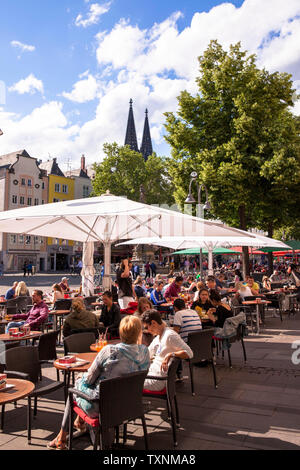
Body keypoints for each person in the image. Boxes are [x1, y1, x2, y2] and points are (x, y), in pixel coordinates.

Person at [48, 315, 150, 450]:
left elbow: (89, 379)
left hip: (103, 408)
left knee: (74, 389)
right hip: (130, 405)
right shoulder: (144, 352)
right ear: (139, 333)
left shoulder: (110, 350)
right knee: (86, 384)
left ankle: (61, 437)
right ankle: (80, 423)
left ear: (121, 332)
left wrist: (80, 378)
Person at [142, 310, 193, 391]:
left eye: (147, 327)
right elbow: (146, 355)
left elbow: (189, 353)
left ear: (154, 323)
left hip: (156, 380)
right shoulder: (160, 336)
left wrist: (171, 354)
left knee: (129, 384)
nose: (147, 330)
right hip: (152, 374)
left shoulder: (170, 336)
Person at [172, 298, 202, 380]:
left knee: (171, 345)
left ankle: (175, 374)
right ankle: (178, 374)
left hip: (188, 345)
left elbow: (175, 332)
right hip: (199, 344)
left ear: (175, 308)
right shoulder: (194, 312)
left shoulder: (178, 314)